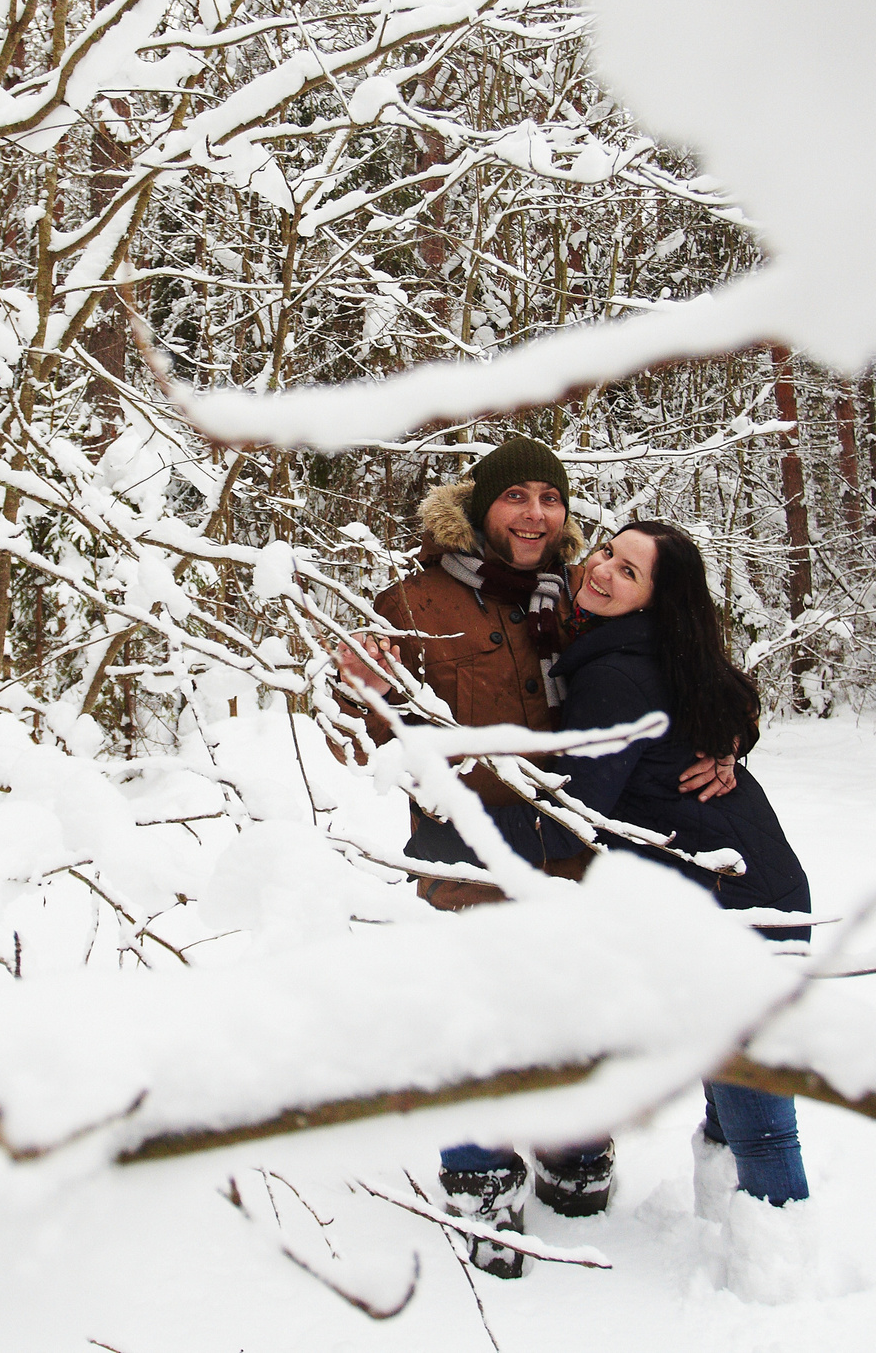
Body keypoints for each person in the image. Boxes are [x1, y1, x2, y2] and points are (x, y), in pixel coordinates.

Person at [337, 437, 738, 1273]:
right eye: (515, 496)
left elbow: (686, 664)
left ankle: (574, 1140)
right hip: (473, 848)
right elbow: (370, 741)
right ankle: (478, 1168)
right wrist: (364, 695)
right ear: (481, 506)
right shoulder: (412, 598)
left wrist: (732, 733)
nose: (534, 514)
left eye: (548, 498)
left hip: (579, 846)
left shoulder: (583, 598)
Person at [544, 519, 813, 1212]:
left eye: (628, 572)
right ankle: (735, 1224)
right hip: (756, 890)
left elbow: (579, 809)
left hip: (732, 913)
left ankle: (779, 1266)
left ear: (653, 603)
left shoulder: (615, 673)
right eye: (607, 551)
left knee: (761, 1127)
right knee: (735, 1096)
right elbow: (734, 702)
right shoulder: (658, 649)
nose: (602, 569)